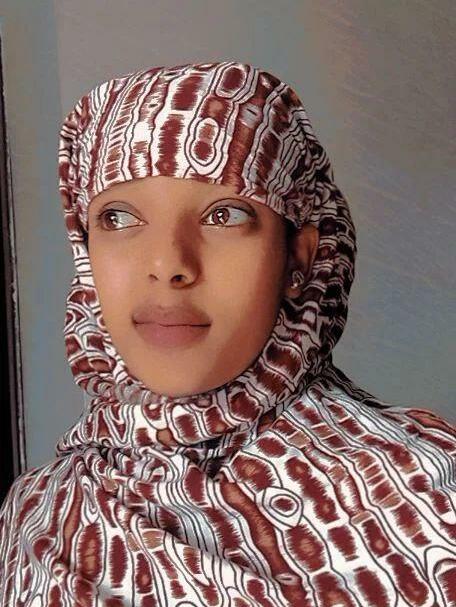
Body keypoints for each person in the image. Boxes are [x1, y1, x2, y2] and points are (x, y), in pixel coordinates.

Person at [0, 60, 455, 606]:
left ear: (298, 258)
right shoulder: (39, 512)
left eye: (225, 216)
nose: (169, 264)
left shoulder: (429, 489)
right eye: (119, 218)